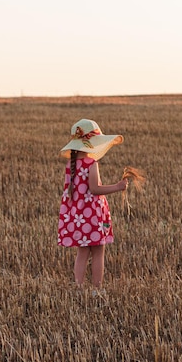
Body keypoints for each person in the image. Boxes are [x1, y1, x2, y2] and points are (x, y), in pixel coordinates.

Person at [57, 119, 128, 289]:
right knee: (98, 252)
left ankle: (78, 288)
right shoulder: (91, 163)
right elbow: (95, 189)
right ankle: (97, 289)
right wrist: (117, 187)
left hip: (77, 215)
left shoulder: (70, 165)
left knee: (82, 252)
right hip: (93, 216)